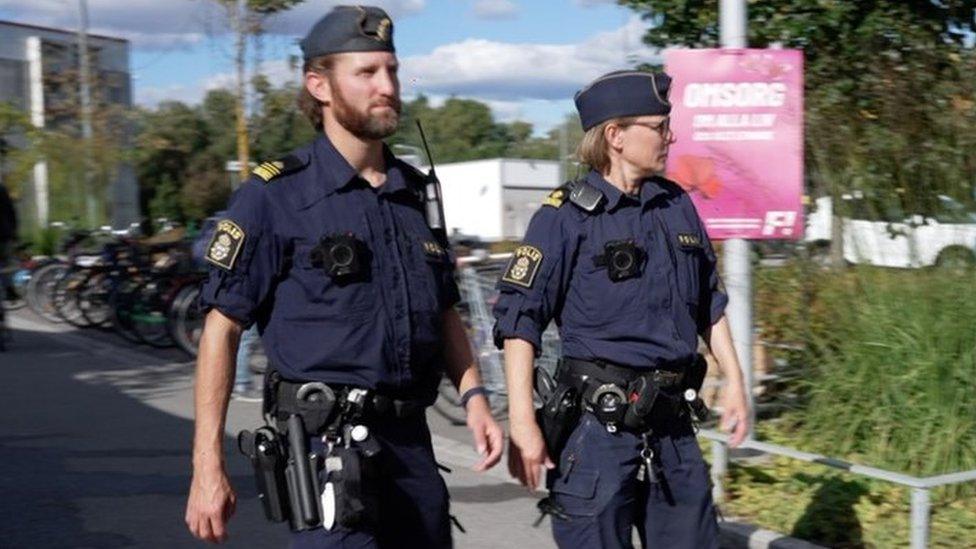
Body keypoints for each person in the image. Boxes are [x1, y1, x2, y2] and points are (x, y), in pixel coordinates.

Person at [184, 5, 503, 547]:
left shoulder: (413, 192)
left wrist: (475, 399)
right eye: (367, 72)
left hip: (410, 449)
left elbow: (443, 307)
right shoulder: (275, 196)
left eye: (393, 70)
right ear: (320, 85)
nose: (388, 86)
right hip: (326, 452)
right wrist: (206, 467)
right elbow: (223, 328)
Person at [493, 70, 750, 549]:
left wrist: (735, 381)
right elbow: (519, 323)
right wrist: (523, 422)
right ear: (615, 135)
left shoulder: (676, 206)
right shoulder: (564, 216)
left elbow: (709, 304)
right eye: (658, 126)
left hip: (672, 428)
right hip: (597, 436)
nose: (669, 136)